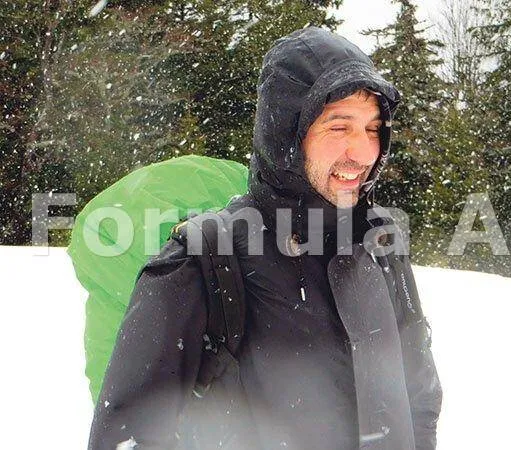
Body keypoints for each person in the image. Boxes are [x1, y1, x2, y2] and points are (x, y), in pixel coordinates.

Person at [88, 26, 442, 450]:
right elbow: (128, 438)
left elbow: (420, 398)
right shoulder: (200, 262)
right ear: (286, 135)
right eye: (338, 127)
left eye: (372, 128)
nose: (364, 152)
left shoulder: (379, 241)